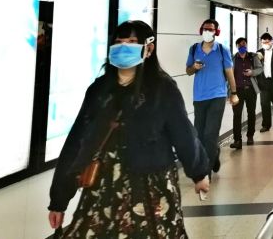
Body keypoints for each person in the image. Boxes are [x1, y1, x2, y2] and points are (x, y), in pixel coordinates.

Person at [49, 20, 209, 238]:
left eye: (132, 42)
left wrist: (199, 173)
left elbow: (183, 134)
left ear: (149, 49)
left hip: (151, 185)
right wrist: (59, 199)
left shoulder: (162, 88)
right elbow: (77, 141)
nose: (124, 47)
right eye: (119, 41)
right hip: (103, 187)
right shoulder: (99, 90)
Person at [186, 19, 239, 177]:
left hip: (217, 95)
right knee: (199, 134)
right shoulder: (194, 49)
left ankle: (205, 170)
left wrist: (234, 93)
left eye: (211, 29)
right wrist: (194, 67)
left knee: (210, 133)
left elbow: (229, 72)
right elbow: (188, 71)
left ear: (216, 32)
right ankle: (214, 154)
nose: (207, 32)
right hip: (199, 96)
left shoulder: (222, 50)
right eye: (205, 29)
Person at [230, 38, 258, 150]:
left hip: (251, 90)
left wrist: (252, 72)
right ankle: (237, 140)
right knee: (237, 115)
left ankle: (250, 136)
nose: (243, 47)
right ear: (237, 46)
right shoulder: (232, 58)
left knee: (251, 113)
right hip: (237, 91)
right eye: (240, 45)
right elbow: (228, 74)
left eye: (244, 45)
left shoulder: (252, 57)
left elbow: (260, 69)